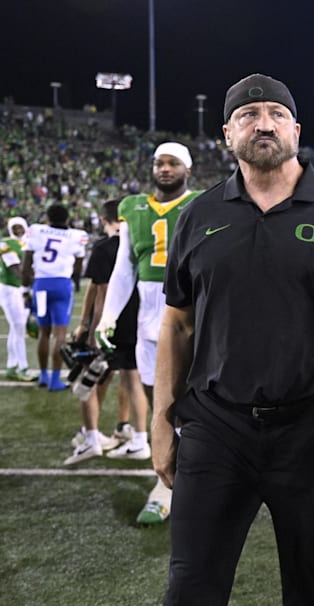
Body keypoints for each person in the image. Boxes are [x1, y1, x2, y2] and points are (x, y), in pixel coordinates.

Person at [152, 73, 314, 606]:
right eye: (248, 114)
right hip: (215, 426)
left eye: (275, 114)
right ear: (226, 133)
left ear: (295, 129)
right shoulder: (198, 215)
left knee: (312, 594)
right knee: (190, 591)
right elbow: (177, 324)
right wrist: (159, 420)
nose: (263, 124)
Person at [96, 141, 199, 525]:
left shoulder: (203, 203)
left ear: (187, 169)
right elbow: (124, 268)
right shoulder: (133, 208)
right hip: (147, 320)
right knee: (162, 407)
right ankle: (166, 482)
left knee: (198, 406)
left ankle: (192, 481)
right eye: (160, 162)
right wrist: (108, 317)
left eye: (173, 163)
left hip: (193, 317)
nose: (165, 169)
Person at [64, 199, 150, 464]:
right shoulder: (142, 243)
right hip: (140, 318)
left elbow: (101, 292)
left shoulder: (104, 247)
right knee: (132, 378)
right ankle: (135, 435)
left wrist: (92, 330)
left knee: (87, 380)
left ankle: (91, 438)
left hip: (114, 322)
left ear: (104, 220)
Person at [21, 203, 87, 391]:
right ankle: (55, 380)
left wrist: (25, 290)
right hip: (61, 285)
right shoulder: (77, 235)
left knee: (44, 333)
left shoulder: (36, 230)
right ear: (67, 219)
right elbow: (78, 266)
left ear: (48, 219)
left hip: (41, 285)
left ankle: (43, 375)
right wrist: (74, 282)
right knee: (60, 334)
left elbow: (26, 264)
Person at [0, 216, 38, 381]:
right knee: (19, 327)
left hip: (20, 290)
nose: (18, 231)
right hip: (9, 289)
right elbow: (16, 269)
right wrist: (37, 281)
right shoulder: (6, 243)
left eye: (20, 227)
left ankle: (11, 366)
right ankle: (23, 368)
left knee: (15, 328)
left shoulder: (28, 242)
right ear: (10, 229)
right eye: (15, 228)